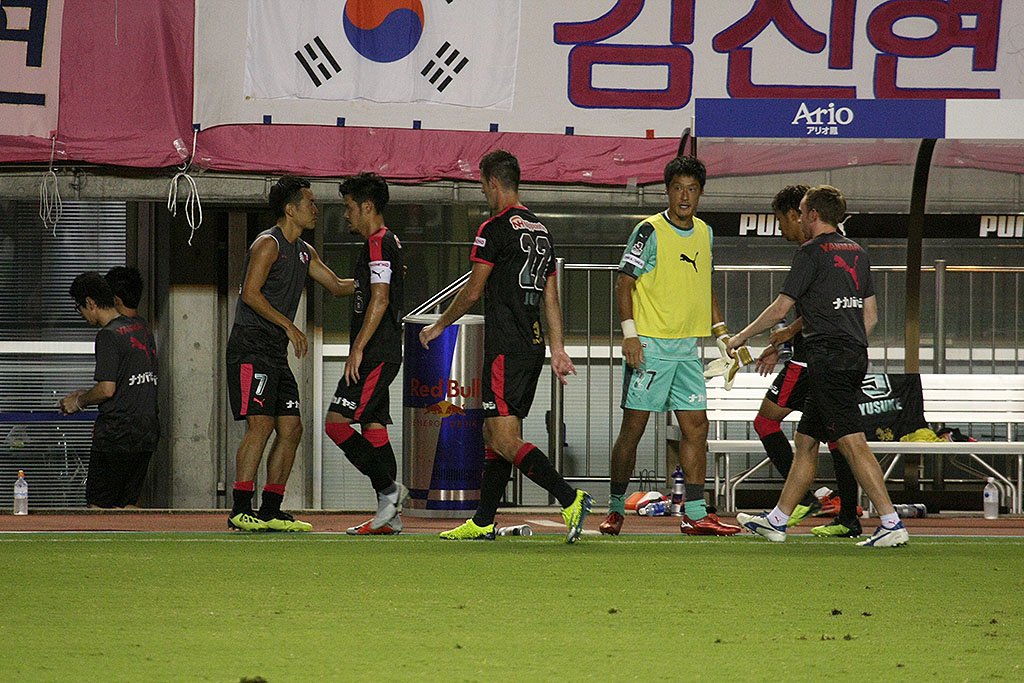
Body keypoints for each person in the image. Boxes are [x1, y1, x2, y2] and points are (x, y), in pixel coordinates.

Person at [418, 149, 592, 543]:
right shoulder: (542, 230)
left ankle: (570, 497)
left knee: (502, 438)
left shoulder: (493, 229)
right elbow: (551, 298)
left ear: (493, 183)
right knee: (495, 433)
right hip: (531, 345)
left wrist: (440, 324)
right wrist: (558, 349)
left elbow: (473, 291)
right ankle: (483, 521)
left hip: (504, 347)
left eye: (483, 185)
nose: (483, 192)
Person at [730, 185, 908, 548]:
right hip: (851, 355)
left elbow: (781, 308)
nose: (797, 218)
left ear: (812, 214)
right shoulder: (857, 252)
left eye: (800, 211)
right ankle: (777, 521)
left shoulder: (810, 252)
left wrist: (741, 337)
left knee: (853, 442)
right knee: (806, 441)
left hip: (827, 359)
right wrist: (847, 340)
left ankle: (891, 522)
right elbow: (870, 316)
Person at [599, 155, 740, 537]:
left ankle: (695, 513)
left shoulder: (705, 233)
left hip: (687, 351)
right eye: (678, 188)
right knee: (633, 429)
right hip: (650, 347)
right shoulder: (648, 230)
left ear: (701, 193)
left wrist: (722, 335)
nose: (684, 196)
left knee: (696, 427)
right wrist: (630, 334)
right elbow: (624, 281)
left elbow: (704, 284)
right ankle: (615, 508)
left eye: (692, 189)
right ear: (667, 191)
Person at [226, 175, 349, 532]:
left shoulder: (304, 251)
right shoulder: (269, 244)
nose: (315, 209)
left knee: (292, 428)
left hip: (274, 353)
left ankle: (271, 509)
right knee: (261, 424)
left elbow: (336, 285)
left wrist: (377, 280)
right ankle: (239, 509)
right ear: (290, 209)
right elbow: (250, 293)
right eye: (310, 202)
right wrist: (289, 326)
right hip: (251, 347)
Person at [750, 186, 863, 537]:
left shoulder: (813, 251)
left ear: (798, 215)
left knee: (767, 422)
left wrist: (745, 337)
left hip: (813, 359)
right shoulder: (841, 249)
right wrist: (786, 337)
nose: (784, 227)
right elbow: (830, 307)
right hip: (835, 355)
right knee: (831, 436)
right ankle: (848, 515)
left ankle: (805, 500)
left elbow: (791, 308)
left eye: (784, 219)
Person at [326, 173, 407, 535]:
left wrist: (357, 348)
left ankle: (390, 491)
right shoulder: (387, 242)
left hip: (376, 352)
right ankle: (389, 518)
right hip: (382, 351)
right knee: (373, 427)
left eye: (349, 207)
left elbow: (380, 298)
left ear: (367, 207)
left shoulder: (378, 243)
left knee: (335, 423)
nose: (346, 215)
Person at [60, 272, 158, 508]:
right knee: (129, 504)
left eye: (79, 308)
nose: (81, 315)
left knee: (99, 505)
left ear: (90, 302)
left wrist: (78, 401)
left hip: (116, 434)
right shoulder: (141, 327)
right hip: (146, 430)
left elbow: (107, 389)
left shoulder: (107, 335)